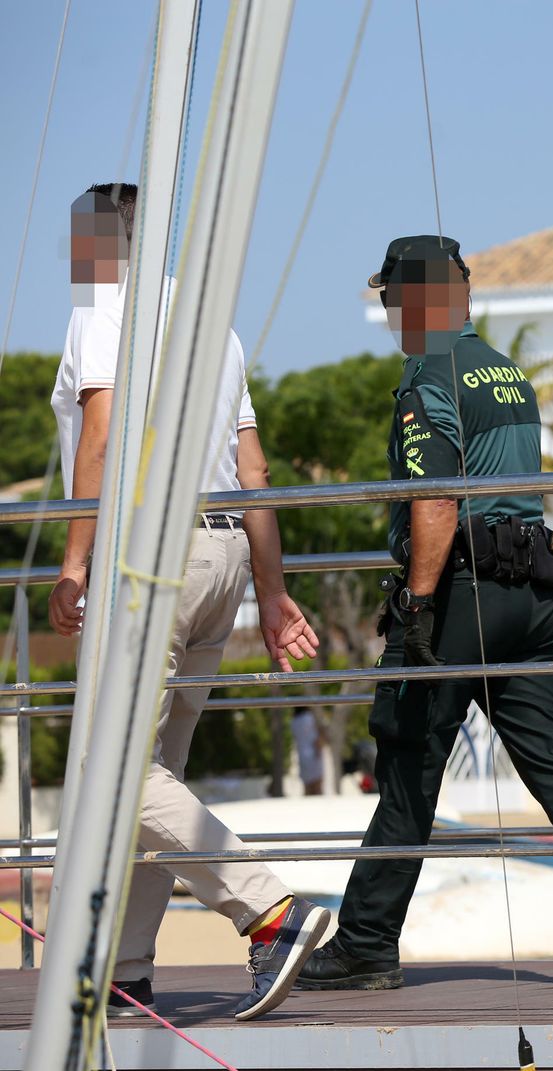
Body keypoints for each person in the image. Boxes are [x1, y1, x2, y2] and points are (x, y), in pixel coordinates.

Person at [297, 235, 553, 992]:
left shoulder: (429, 372)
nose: (393, 315)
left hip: (461, 587)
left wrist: (419, 608)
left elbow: (435, 496)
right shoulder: (508, 371)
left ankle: (366, 942)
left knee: (406, 759)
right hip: (532, 589)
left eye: (394, 299)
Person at [47, 183, 330, 1020]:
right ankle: (128, 972)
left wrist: (72, 562)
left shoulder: (103, 307)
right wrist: (273, 592)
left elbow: (99, 434)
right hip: (223, 558)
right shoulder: (216, 325)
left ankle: (271, 909)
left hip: (150, 555)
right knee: (153, 775)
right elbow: (255, 473)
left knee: (113, 769)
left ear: (102, 243)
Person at [291, 707, 325, 795]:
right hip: (313, 754)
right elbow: (315, 738)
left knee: (307, 789)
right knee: (317, 788)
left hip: (302, 756)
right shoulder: (309, 718)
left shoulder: (294, 721)